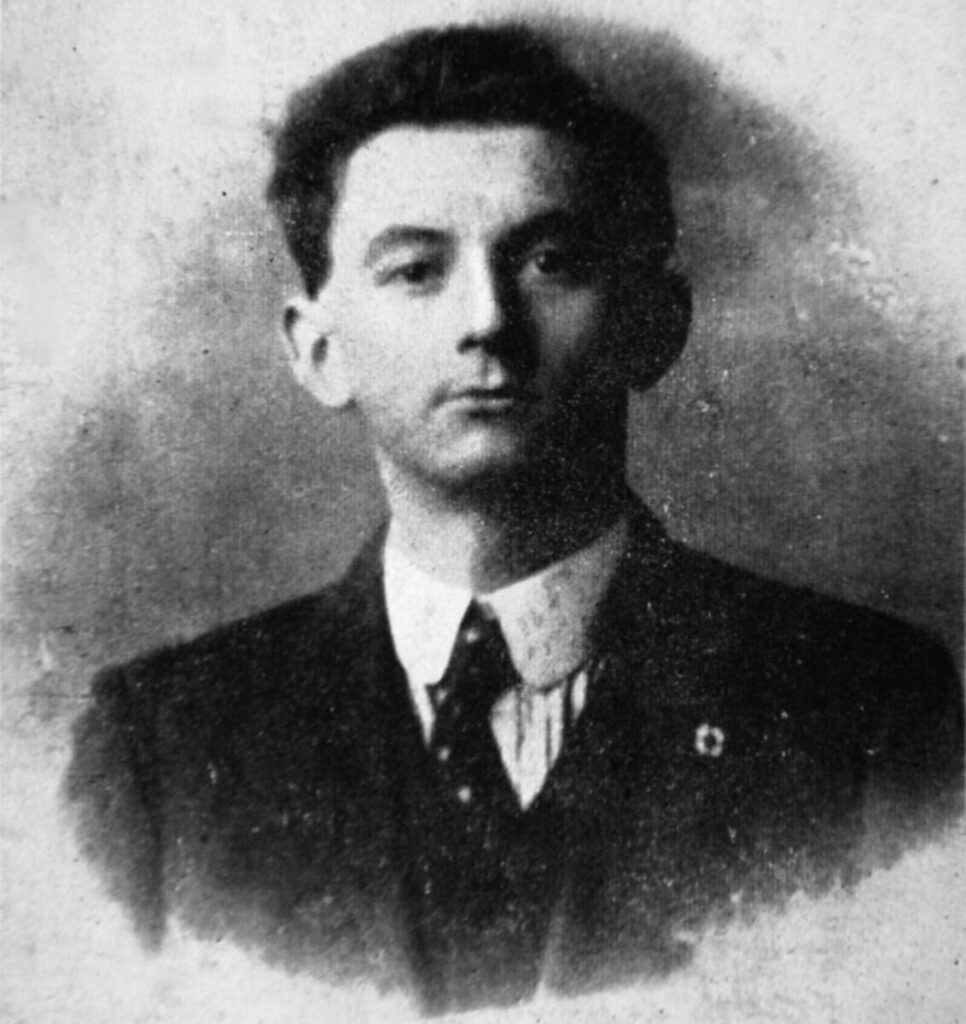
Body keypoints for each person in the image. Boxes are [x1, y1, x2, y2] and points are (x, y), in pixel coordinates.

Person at [65, 23, 963, 1016]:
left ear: (652, 323)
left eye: (550, 261)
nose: (487, 318)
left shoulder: (866, 710)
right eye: (416, 269)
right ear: (320, 350)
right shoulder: (162, 745)